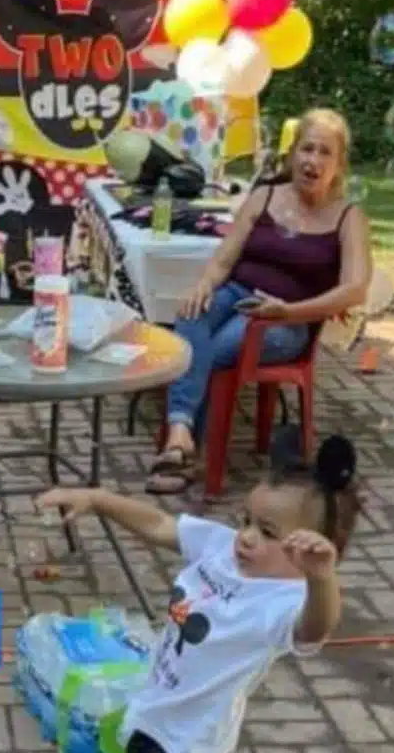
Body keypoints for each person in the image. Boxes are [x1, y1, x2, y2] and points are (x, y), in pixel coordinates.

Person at [35, 428, 362, 753]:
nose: (246, 537)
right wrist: (97, 499)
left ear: (309, 552)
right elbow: (161, 524)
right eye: (246, 520)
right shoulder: (222, 551)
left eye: (268, 532)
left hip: (185, 742)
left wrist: (323, 578)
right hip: (157, 714)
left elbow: (316, 629)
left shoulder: (283, 601)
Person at [147, 108, 372, 494]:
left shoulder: (348, 217)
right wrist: (203, 285)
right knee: (190, 315)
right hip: (237, 294)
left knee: (213, 349)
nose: (313, 160)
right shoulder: (264, 197)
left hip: (288, 319)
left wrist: (289, 311)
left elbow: (356, 289)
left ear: (339, 165)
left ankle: (189, 456)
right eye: (307, 149)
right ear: (292, 154)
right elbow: (224, 260)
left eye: (325, 153)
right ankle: (180, 433)